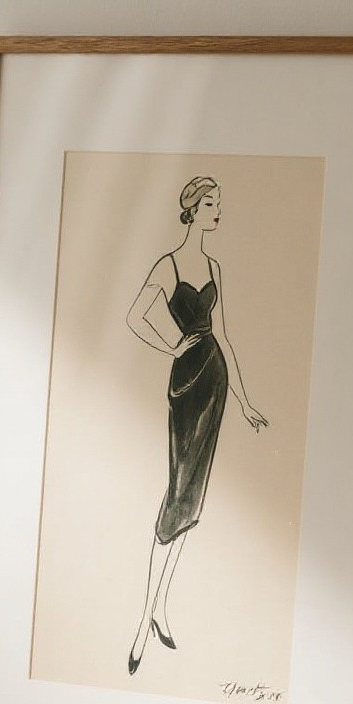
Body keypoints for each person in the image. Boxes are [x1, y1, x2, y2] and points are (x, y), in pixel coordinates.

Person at [125, 176, 267, 672]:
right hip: (185, 382)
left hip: (216, 382)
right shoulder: (168, 266)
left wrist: (246, 400)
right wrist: (171, 346)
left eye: (219, 204)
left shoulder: (213, 266)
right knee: (177, 489)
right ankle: (144, 615)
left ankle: (159, 606)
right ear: (192, 209)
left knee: (193, 495)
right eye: (211, 204)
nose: (218, 210)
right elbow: (134, 316)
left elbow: (223, 333)